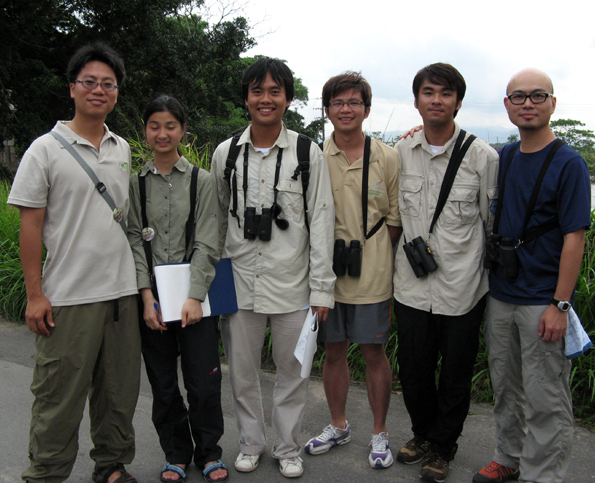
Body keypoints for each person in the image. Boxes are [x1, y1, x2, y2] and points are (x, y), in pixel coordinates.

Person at [8, 43, 140, 483]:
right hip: (68, 296)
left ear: (116, 93)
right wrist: (35, 295)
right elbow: (30, 226)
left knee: (118, 394)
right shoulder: (44, 149)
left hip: (121, 295)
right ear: (72, 89)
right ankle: (46, 473)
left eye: (108, 84)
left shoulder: (122, 148)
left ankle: (111, 467)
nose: (99, 90)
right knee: (58, 397)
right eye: (90, 82)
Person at [211, 57, 336, 479]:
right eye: (257, 91)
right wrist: (210, 285)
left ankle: (287, 447)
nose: (265, 99)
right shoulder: (226, 153)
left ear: (287, 98)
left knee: (293, 373)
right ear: (246, 98)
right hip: (239, 283)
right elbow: (215, 221)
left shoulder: (306, 152)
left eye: (274, 91)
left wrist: (322, 290)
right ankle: (250, 443)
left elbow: (322, 222)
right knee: (242, 374)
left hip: (293, 285)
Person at [473, 69, 590, 483]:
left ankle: (542, 475)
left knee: (545, 395)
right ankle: (508, 456)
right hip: (502, 292)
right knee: (505, 386)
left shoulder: (569, 163)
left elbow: (575, 238)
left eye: (538, 95)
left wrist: (560, 304)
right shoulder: (503, 157)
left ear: (553, 103)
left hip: (543, 298)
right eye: (518, 96)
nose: (528, 103)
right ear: (507, 105)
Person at [392, 63, 498, 483]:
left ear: (458, 102)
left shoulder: (483, 156)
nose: (436, 100)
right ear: (417, 100)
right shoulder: (401, 150)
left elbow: (491, 223)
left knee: (455, 374)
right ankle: (422, 434)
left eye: (446, 93)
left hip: (463, 287)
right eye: (429, 92)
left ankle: (442, 447)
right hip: (411, 286)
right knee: (413, 370)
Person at [126, 96, 228, 483]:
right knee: (163, 384)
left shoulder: (202, 181)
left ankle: (209, 452)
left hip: (195, 297)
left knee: (204, 382)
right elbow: (135, 240)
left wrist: (194, 296)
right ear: (145, 130)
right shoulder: (135, 183)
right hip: (153, 300)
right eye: (154, 125)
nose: (162, 133)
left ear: (183, 130)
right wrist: (145, 296)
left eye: (170, 125)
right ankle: (177, 454)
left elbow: (208, 241)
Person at [304, 72, 401, 469]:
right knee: (333, 352)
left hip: (372, 273)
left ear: (367, 109)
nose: (346, 109)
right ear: (326, 110)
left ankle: (379, 432)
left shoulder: (387, 157)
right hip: (326, 275)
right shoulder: (314, 157)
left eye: (354, 102)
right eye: (338, 103)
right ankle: (338, 424)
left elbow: (394, 220)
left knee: (374, 352)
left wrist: (373, 253)